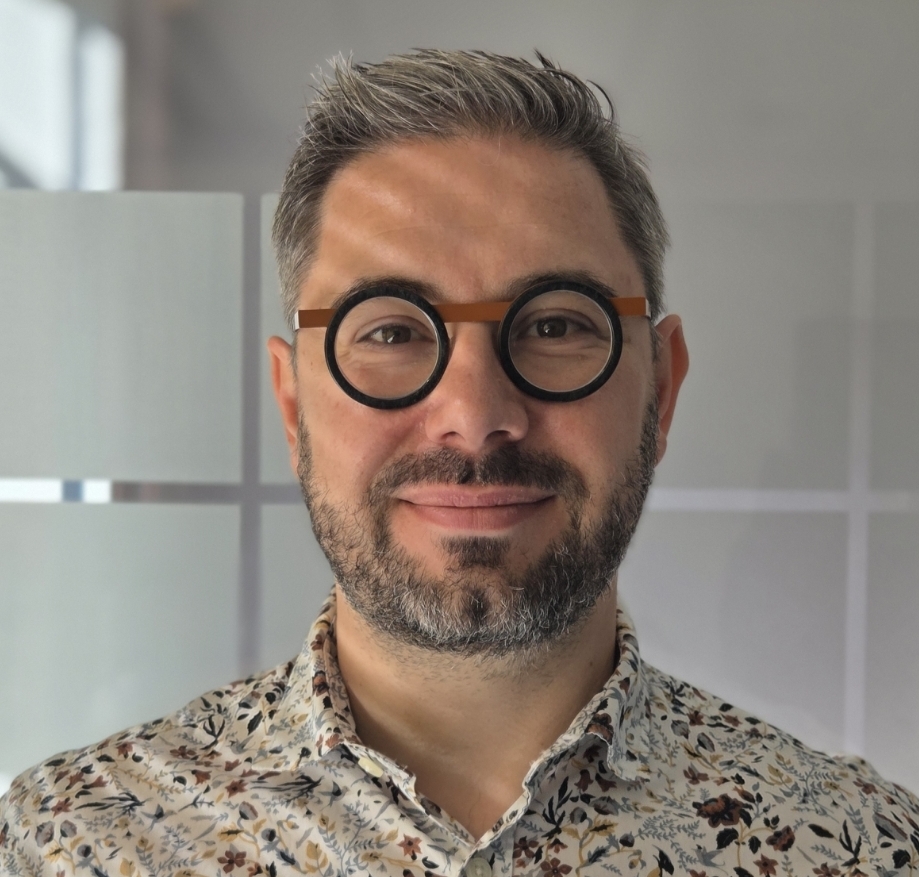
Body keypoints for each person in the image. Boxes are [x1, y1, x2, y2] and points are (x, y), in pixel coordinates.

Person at [1, 49, 917, 877]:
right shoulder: (62, 847)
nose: (476, 419)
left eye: (553, 325)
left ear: (661, 388)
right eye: (391, 332)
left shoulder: (867, 851)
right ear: (292, 404)